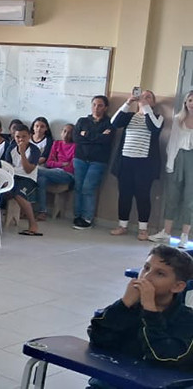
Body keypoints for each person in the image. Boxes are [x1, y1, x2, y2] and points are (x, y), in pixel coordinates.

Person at [87, 246, 193, 388]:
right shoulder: (128, 308)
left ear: (178, 287)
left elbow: (163, 356)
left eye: (160, 274)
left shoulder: (187, 320)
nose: (146, 277)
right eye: (146, 268)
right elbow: (98, 340)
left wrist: (150, 311)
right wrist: (123, 305)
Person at [110, 90, 163, 241]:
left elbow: (155, 128)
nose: (144, 98)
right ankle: (122, 225)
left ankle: (143, 229)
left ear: (153, 103)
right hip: (126, 161)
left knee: (143, 196)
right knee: (124, 194)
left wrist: (145, 107)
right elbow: (114, 122)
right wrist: (128, 102)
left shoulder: (157, 117)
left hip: (144, 164)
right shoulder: (129, 117)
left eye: (148, 97)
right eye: (142, 96)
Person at [150, 90, 193, 247]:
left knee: (189, 199)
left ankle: (184, 235)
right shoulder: (178, 119)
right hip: (176, 159)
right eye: (190, 100)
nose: (192, 104)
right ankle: (166, 233)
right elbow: (173, 142)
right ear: (185, 102)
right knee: (172, 196)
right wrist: (170, 163)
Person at [73, 95, 114, 230]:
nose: (97, 108)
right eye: (94, 105)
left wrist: (87, 136)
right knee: (78, 187)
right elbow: (77, 138)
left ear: (105, 107)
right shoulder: (83, 121)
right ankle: (77, 215)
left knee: (88, 188)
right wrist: (98, 137)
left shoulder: (109, 123)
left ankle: (87, 218)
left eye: (100, 105)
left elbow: (106, 140)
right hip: (80, 159)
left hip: (97, 161)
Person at [3, 124, 43, 236]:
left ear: (29, 136)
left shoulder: (34, 150)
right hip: (13, 176)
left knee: (19, 194)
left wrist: (22, 153)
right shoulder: (11, 148)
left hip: (28, 178)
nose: (20, 140)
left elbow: (28, 169)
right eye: (17, 137)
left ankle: (33, 223)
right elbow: (8, 166)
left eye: (24, 137)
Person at [35, 124, 76, 221]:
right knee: (41, 179)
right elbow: (49, 162)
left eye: (70, 132)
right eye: (64, 131)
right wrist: (62, 164)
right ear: (61, 132)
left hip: (67, 175)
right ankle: (43, 211)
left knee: (35, 170)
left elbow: (70, 167)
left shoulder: (76, 146)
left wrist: (57, 164)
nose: (66, 134)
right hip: (51, 171)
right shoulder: (57, 143)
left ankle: (29, 170)